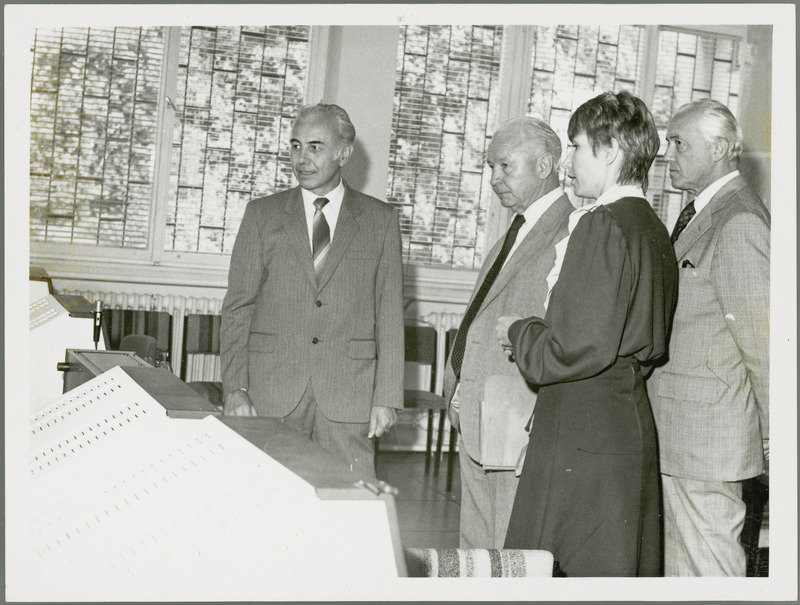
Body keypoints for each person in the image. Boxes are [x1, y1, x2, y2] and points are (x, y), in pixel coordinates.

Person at [495, 91, 678, 576]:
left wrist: (518, 329)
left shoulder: (602, 225)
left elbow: (572, 349)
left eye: (576, 146)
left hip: (583, 433)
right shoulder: (653, 227)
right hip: (623, 424)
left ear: (612, 149)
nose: (570, 160)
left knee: (562, 572)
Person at [220, 103, 404, 479]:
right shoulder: (262, 215)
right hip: (271, 393)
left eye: (315, 147)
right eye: (295, 146)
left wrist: (386, 397)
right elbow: (237, 308)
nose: (302, 158)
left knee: (347, 508)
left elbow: (389, 314)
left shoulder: (380, 222)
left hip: (348, 396)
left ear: (344, 153)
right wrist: (235, 388)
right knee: (265, 505)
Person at [646, 99, 770, 576]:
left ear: (719, 148)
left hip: (709, 438)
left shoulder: (738, 222)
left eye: (678, 143)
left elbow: (764, 344)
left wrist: (776, 438)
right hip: (684, 430)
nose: (667, 153)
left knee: (709, 571)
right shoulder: (703, 213)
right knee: (685, 571)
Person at [443, 117, 573, 548]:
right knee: (476, 548)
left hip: (518, 419)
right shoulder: (512, 234)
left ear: (545, 165)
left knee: (509, 553)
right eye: (490, 167)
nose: (495, 178)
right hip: (478, 410)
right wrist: (458, 385)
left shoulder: (572, 231)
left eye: (505, 166)